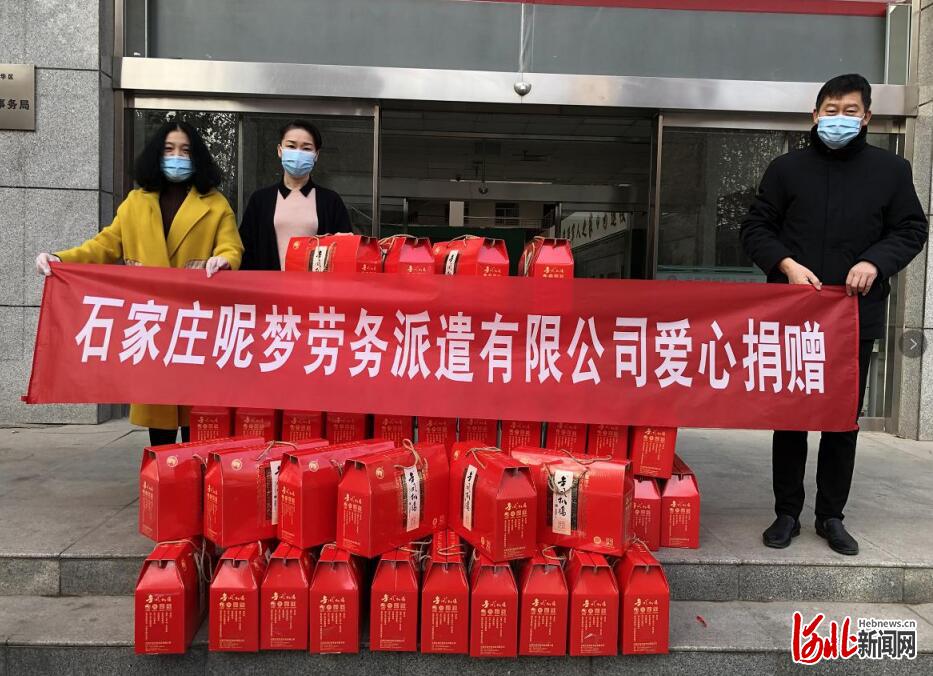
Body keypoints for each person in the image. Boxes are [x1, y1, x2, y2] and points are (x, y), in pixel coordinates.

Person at [740, 74, 928, 556]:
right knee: (791, 416)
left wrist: (874, 262)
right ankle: (787, 512)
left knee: (842, 420)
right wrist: (785, 265)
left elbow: (910, 229)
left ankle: (831, 516)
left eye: (850, 111)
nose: (839, 119)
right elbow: (755, 228)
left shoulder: (891, 170)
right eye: (831, 110)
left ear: (866, 117)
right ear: (815, 114)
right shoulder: (786, 169)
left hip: (854, 315)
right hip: (794, 313)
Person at [35, 120, 244, 446]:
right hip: (152, 324)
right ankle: (161, 473)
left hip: (195, 325)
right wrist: (62, 259)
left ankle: (195, 475)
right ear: (157, 155)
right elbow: (104, 245)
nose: (177, 157)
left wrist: (224, 260)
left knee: (198, 423)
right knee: (159, 420)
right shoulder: (135, 202)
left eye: (185, 151)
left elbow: (231, 246)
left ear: (197, 157)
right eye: (169, 149)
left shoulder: (215, 204)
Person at [238, 119, 352, 270]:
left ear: (316, 155)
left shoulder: (331, 201)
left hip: (315, 284)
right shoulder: (260, 200)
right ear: (280, 150)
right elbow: (245, 248)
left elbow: (346, 250)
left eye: (306, 148)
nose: (298, 153)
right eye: (291, 146)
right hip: (267, 283)